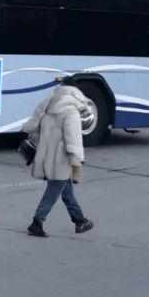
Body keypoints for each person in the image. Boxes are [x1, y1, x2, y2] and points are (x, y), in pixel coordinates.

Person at [21, 76, 95, 237]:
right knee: (54, 190)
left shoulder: (46, 104)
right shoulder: (71, 112)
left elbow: (30, 125)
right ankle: (37, 222)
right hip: (60, 158)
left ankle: (80, 221)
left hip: (44, 153)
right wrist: (77, 164)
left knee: (65, 189)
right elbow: (73, 140)